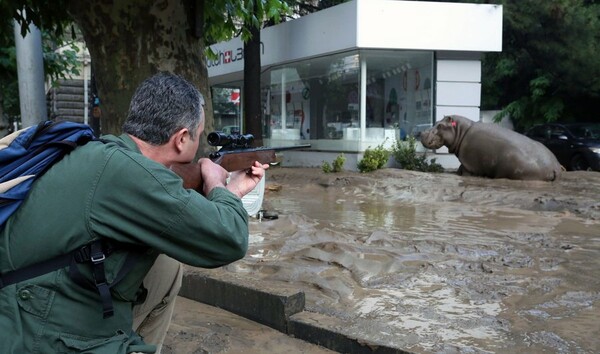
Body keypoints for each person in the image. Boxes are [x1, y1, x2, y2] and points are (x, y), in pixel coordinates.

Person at [0, 72, 268, 353]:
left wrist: (231, 191)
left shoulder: (104, 154)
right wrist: (217, 183)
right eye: (199, 136)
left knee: (165, 269)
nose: (199, 145)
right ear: (181, 138)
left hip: (32, 299)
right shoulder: (128, 174)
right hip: (31, 328)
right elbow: (229, 239)